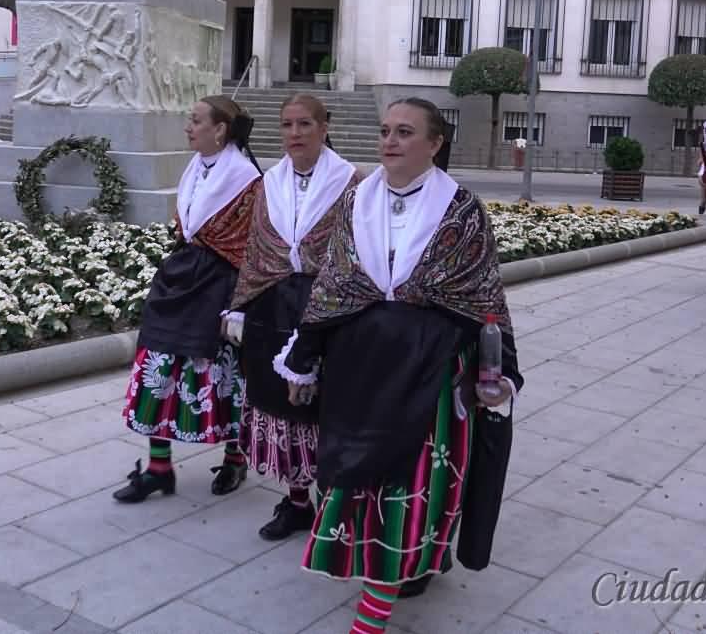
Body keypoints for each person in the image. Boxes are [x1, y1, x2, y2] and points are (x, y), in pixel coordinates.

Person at [274, 97, 522, 634]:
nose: (390, 141)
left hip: (429, 372)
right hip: (358, 369)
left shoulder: (462, 210)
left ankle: (374, 614)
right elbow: (333, 286)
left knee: (409, 488)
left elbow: (485, 298)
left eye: (405, 132)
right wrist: (304, 360)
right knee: (358, 482)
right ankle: (394, 563)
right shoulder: (355, 200)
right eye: (385, 130)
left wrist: (500, 370)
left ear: (435, 143)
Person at [115, 96, 262, 502]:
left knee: (223, 374)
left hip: (220, 284)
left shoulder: (246, 178)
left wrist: (241, 301)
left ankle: (235, 459)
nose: (188, 126)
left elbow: (253, 243)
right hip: (182, 276)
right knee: (157, 364)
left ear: (220, 130)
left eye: (196, 120)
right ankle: (159, 468)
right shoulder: (196, 167)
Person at [225, 94, 358, 541]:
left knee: (327, 407)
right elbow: (257, 247)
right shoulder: (270, 182)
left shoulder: (351, 183)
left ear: (324, 127)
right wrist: (240, 306)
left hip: (329, 309)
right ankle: (298, 502)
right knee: (285, 407)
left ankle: (334, 503)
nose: (295, 134)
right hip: (274, 305)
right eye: (287, 125)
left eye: (304, 124)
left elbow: (357, 252)